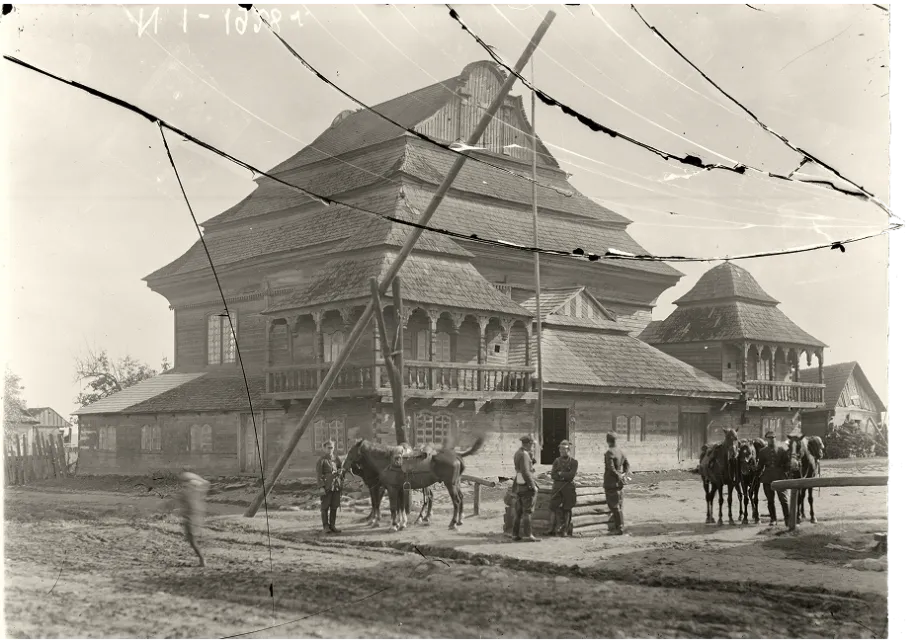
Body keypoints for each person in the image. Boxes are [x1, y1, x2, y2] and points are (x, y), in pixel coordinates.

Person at [176, 471, 210, 567]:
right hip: (194, 516)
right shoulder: (196, 491)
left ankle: (202, 560)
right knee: (191, 539)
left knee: (192, 540)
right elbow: (206, 484)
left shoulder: (190, 491)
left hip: (191, 517)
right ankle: (202, 559)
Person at [757, 430, 790, 526]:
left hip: (780, 477)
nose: (771, 439)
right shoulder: (762, 452)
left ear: (776, 438)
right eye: (769, 438)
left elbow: (787, 464)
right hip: (767, 478)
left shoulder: (782, 450)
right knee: (770, 500)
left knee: (783, 500)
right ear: (766, 439)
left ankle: (787, 519)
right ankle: (773, 519)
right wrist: (755, 471)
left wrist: (788, 469)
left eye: (773, 437)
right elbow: (760, 465)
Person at [511, 435, 540, 542]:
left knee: (518, 512)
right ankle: (528, 535)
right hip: (526, 486)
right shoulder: (524, 454)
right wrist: (532, 486)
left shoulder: (518, 453)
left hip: (519, 484)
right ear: (528, 444)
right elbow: (526, 472)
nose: (532, 446)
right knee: (527, 511)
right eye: (532, 444)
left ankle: (515, 535)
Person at [548, 440, 579, 537]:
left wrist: (561, 474)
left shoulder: (574, 462)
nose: (562, 451)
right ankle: (554, 529)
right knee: (554, 508)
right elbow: (553, 475)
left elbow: (571, 476)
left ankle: (565, 530)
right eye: (560, 449)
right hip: (557, 487)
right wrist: (563, 476)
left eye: (564, 449)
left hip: (568, 488)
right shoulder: (556, 461)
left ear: (568, 450)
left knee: (567, 509)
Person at [603, 432, 631, 535]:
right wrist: (623, 474)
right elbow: (627, 465)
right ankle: (619, 526)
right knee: (619, 504)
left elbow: (610, 468)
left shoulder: (609, 452)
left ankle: (620, 528)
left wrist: (618, 475)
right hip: (619, 483)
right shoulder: (621, 451)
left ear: (607, 441)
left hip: (611, 482)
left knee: (614, 506)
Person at [316, 439, 343, 534]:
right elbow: (319, 475)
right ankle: (325, 526)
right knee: (325, 507)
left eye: (332, 447)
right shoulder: (321, 460)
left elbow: (341, 468)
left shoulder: (336, 459)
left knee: (334, 506)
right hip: (327, 486)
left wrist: (340, 472)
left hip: (336, 486)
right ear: (324, 448)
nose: (330, 449)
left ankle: (332, 526)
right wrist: (321, 487)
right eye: (328, 448)